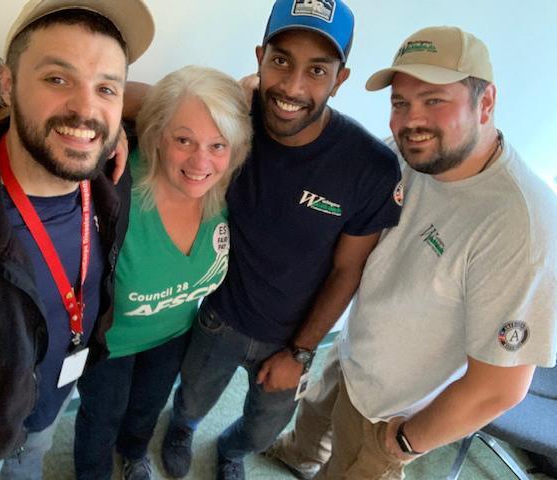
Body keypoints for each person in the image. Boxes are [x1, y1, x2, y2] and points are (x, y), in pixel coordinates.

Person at [265, 25, 557, 480]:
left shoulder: (522, 230)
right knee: (314, 424)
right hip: (354, 352)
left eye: (434, 100)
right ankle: (299, 454)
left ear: (486, 102)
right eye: (400, 102)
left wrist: (404, 441)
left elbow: (499, 388)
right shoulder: (414, 156)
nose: (411, 120)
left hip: (391, 410)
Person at [153, 1, 402, 479]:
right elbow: (159, 109)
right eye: (281, 60)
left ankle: (230, 450)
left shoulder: (369, 167)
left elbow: (348, 269)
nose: (292, 86)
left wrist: (301, 353)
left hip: (292, 336)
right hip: (218, 316)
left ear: (340, 79)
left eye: (316, 70)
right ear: (260, 57)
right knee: (191, 397)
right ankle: (182, 428)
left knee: (264, 429)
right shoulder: (230, 122)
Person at [0, 0, 154, 478]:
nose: (86, 110)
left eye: (105, 87)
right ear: (6, 83)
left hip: (48, 403)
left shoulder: (111, 178)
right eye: (56, 79)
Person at [73, 65, 252, 480]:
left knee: (147, 408)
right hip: (107, 345)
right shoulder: (114, 188)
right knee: (101, 419)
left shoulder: (228, 194)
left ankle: (135, 453)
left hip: (173, 336)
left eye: (218, 145)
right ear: (156, 136)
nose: (201, 161)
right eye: (183, 139)